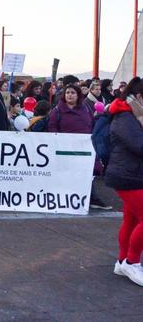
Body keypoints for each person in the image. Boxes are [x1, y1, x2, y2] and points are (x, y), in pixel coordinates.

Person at [104, 78, 143, 286]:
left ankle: (123, 261)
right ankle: (132, 261)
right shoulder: (125, 117)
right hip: (128, 175)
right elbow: (140, 146)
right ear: (138, 97)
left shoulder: (133, 115)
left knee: (132, 220)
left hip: (133, 174)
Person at [48, 84, 110, 210]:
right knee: (68, 175)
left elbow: (92, 124)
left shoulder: (85, 108)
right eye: (67, 93)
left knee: (88, 173)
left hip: (84, 147)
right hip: (66, 149)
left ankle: (92, 198)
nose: (70, 95)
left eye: (72, 93)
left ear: (78, 95)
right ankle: (67, 198)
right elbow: (52, 129)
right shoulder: (57, 111)